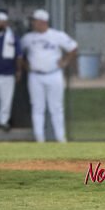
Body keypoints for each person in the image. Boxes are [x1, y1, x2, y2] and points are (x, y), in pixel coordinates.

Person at [20, 9, 78, 143]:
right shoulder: (28, 38)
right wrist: (25, 65)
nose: (33, 23)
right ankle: (39, 138)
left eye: (34, 21)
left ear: (42, 22)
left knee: (56, 107)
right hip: (35, 75)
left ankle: (60, 138)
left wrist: (65, 61)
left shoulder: (57, 35)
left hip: (54, 74)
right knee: (37, 107)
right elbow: (19, 53)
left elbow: (73, 48)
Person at [0, 10, 23, 132]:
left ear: (5, 23)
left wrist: (18, 70)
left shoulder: (13, 38)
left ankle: (4, 121)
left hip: (8, 73)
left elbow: (19, 55)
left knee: (6, 99)